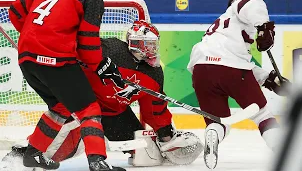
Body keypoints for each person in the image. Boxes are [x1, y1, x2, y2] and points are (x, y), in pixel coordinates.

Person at [1, 20, 203, 170]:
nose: (152, 49)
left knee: (149, 157)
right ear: (135, 43)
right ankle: (24, 154)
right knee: (66, 144)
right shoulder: (112, 50)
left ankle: (161, 147)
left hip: (116, 115)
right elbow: (78, 49)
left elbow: (155, 107)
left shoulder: (154, 72)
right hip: (85, 106)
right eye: (147, 44)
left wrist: (165, 134)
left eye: (154, 44)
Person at [8, 0, 125, 170]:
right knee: (89, 109)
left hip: (27, 58)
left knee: (60, 107)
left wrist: (37, 38)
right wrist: (100, 64)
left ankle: (33, 154)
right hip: (55, 60)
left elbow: (15, 11)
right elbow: (87, 42)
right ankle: (97, 162)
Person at [187, 0, 291, 169]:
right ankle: (285, 153)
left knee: (219, 123)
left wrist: (268, 78)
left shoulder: (219, 28)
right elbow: (252, 2)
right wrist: (265, 28)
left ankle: (212, 132)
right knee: (263, 116)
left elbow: (234, 61)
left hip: (201, 71)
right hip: (230, 69)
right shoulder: (240, 9)